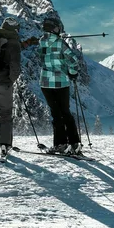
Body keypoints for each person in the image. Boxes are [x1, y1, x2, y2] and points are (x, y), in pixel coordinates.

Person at [0, 17, 38, 157]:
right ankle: (4, 145)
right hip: (3, 84)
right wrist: (10, 80)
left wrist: (27, 43)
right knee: (5, 114)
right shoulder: (14, 44)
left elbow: (2, 52)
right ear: (15, 29)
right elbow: (15, 67)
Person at [38, 15, 81, 155]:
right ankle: (74, 143)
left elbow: (41, 58)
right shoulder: (61, 43)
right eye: (57, 27)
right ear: (54, 28)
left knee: (56, 114)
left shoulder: (41, 42)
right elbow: (73, 60)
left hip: (45, 83)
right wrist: (73, 73)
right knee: (66, 112)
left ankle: (60, 144)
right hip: (61, 83)